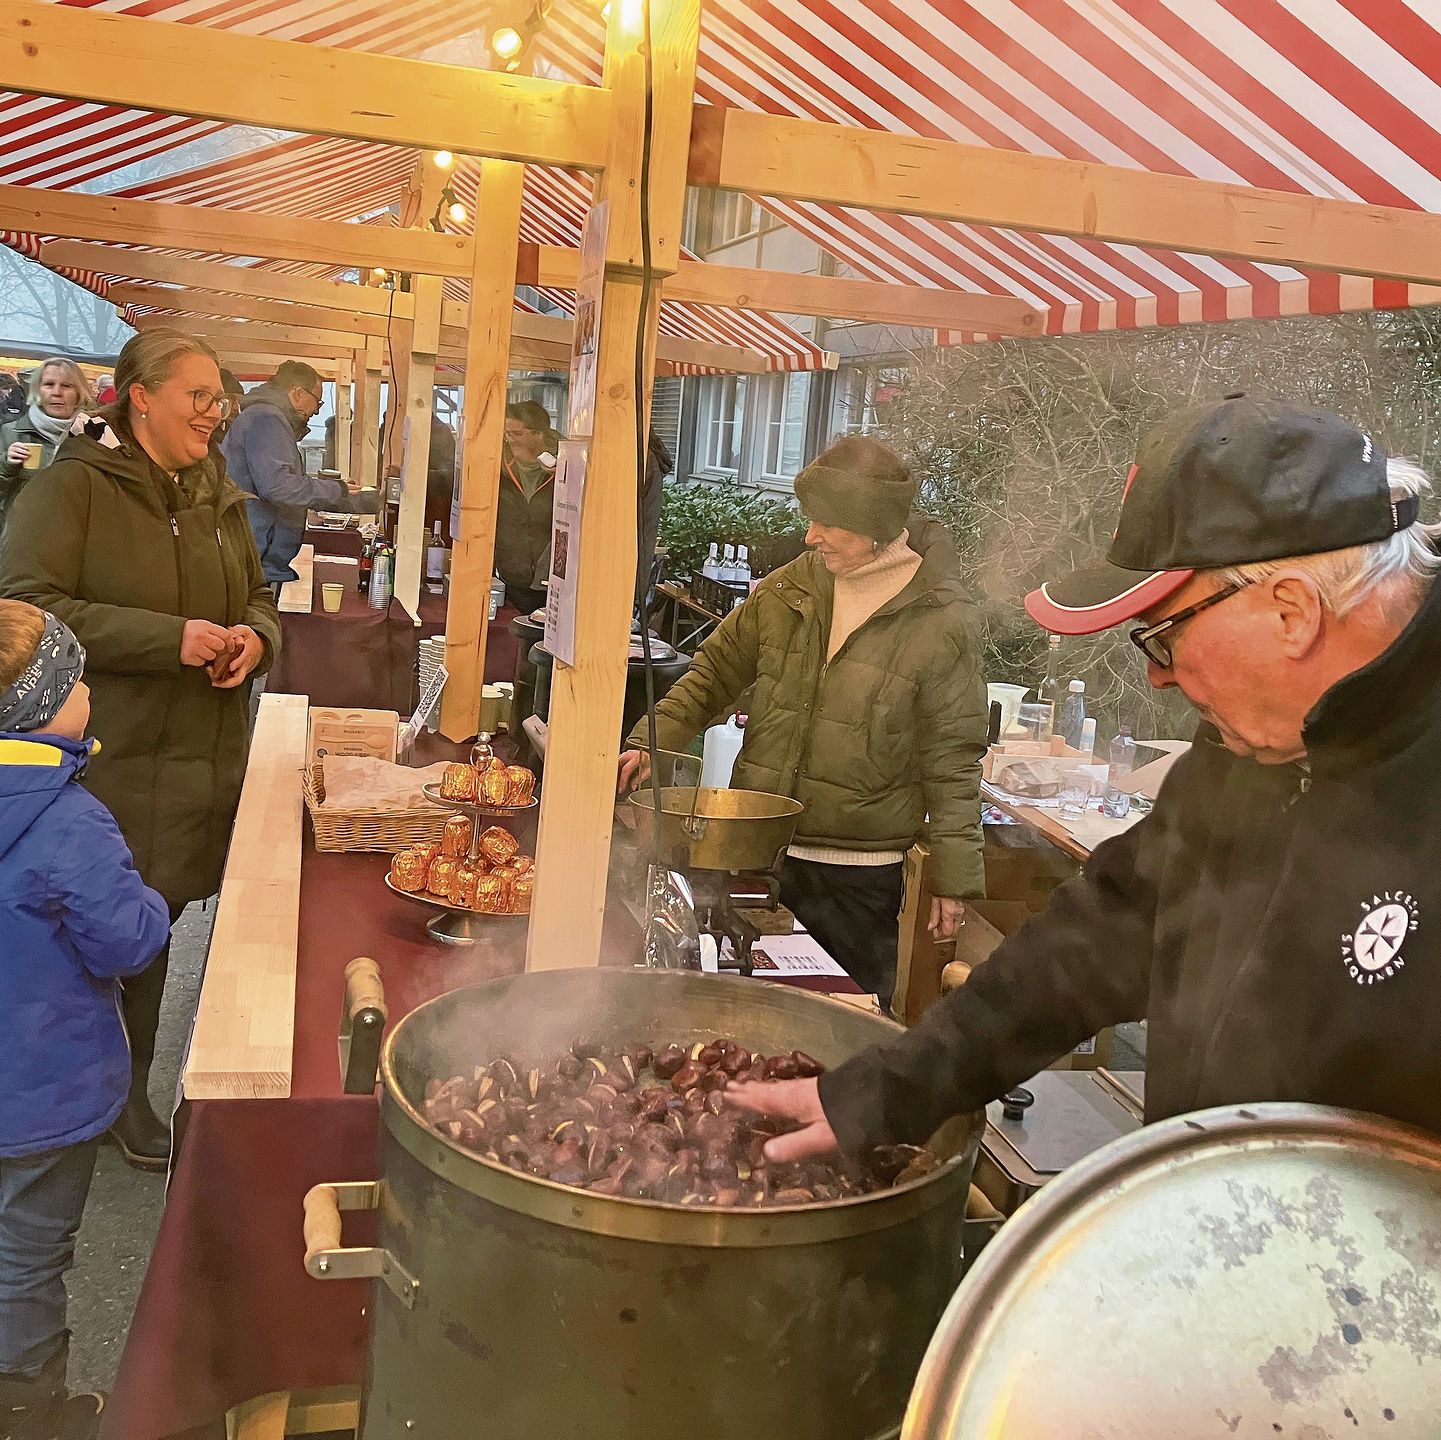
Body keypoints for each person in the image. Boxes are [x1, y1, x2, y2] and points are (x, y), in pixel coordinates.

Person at [732, 395, 1441, 1162]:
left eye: (1161, 638)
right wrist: (888, 1090)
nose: (1157, 679)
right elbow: (1100, 937)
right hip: (1208, 1228)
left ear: (1289, 610)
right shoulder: (1246, 756)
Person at [0, 329, 282, 1170]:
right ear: (141, 396)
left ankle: (131, 1091)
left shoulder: (216, 492)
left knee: (153, 930)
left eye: (218, 396)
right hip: (104, 761)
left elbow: (261, 596)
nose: (215, 410)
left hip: (200, 755)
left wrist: (254, 642)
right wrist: (169, 639)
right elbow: (21, 609)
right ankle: (77, 1104)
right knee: (92, 941)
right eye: (198, 395)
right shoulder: (71, 491)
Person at [620, 436, 987, 1006]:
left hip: (859, 877)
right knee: (737, 1013)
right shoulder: (793, 586)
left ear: (874, 527)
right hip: (761, 857)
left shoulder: (940, 619)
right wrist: (650, 743)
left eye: (828, 524)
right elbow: (713, 674)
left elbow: (953, 756)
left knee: (842, 1022)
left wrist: (955, 878)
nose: (811, 536)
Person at [0, 602, 170, 1438]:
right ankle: (30, 1410)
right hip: (44, 1092)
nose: (91, 691)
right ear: (42, 705)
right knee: (28, 1257)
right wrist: (152, 899)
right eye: (76, 681)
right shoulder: (71, 822)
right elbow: (127, 944)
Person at [221, 359, 379, 585]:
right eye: (317, 401)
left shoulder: (263, 417)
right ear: (297, 393)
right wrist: (336, 491)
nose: (316, 410)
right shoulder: (267, 420)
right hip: (255, 559)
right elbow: (278, 487)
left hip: (256, 556)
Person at [0, 360, 94, 542]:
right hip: (21, 545)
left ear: (78, 393)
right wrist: (6, 465)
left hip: (73, 544)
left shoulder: (94, 435)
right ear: (37, 390)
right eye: (48, 385)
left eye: (66, 385)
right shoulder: (11, 432)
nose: (57, 392)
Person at [496, 400, 562, 612]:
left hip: (555, 580)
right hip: (511, 577)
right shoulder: (498, 465)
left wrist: (567, 474)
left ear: (538, 434)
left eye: (516, 434)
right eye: (507, 434)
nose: (510, 440)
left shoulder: (568, 465)